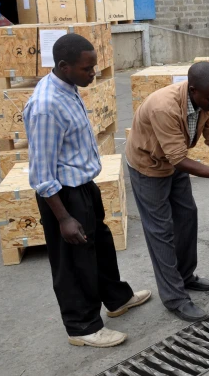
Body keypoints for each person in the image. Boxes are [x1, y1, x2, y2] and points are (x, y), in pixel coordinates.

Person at [24, 34, 151, 348]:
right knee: (73, 260)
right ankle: (82, 327)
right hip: (62, 196)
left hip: (83, 187)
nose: (93, 74)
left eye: (94, 67)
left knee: (101, 246)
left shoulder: (67, 87)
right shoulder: (45, 106)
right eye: (87, 69)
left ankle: (116, 299)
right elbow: (42, 172)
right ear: (64, 66)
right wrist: (64, 218)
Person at [125, 62, 209, 322]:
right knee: (160, 230)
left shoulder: (206, 100)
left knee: (186, 216)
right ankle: (174, 298)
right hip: (148, 165)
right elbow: (178, 159)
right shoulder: (165, 107)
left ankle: (185, 276)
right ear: (193, 90)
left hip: (173, 160)